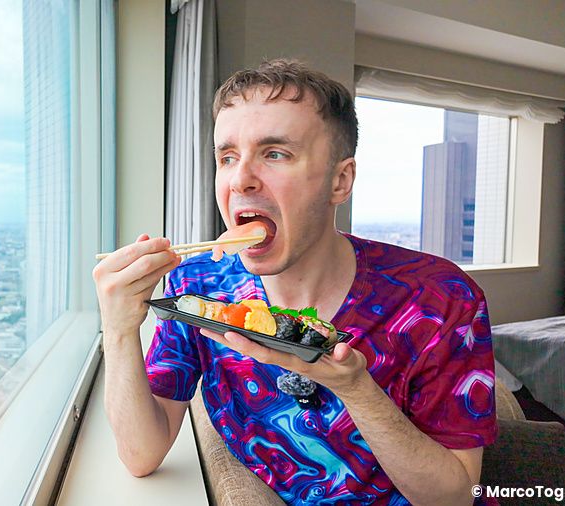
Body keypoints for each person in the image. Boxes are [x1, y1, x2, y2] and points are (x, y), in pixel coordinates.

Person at [92, 59, 497, 505]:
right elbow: (141, 455)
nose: (240, 179)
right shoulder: (199, 286)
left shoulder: (440, 298)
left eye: (275, 153)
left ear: (339, 181)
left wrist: (356, 391)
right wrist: (118, 329)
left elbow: (455, 497)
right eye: (227, 157)